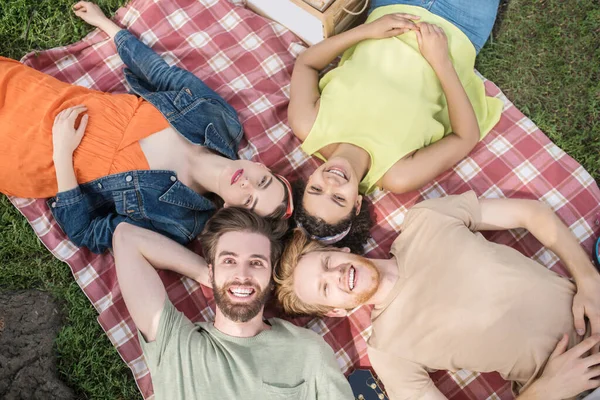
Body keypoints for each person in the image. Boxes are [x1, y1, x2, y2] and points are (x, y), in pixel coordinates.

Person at [0, 1, 292, 253]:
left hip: (34, 154)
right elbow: (163, 75)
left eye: (250, 201)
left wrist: (62, 154)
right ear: (262, 167)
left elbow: (87, 233)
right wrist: (107, 25)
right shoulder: (219, 120)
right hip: (50, 97)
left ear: (233, 211)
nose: (247, 184)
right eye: (262, 182)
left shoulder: (178, 221)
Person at [275, 192, 600, 400]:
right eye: (325, 288)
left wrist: (588, 279)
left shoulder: (425, 220)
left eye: (328, 263)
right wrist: (546, 391)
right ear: (335, 312)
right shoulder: (387, 352)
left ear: (342, 250)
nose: (336, 276)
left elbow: (532, 213)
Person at [288, 0, 503, 251]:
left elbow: (306, 64)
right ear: (356, 204)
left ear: (307, 181)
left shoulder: (308, 125)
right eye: (338, 198)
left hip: (394, 6)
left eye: (316, 189)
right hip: (459, 26)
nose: (331, 183)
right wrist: (440, 61)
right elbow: (465, 136)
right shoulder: (397, 174)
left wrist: (366, 30)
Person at [111, 207, 353, 399]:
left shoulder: (308, 350)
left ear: (270, 278)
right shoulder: (174, 343)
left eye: (256, 263)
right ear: (212, 270)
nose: (243, 274)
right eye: (229, 261)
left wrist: (226, 277)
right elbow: (127, 239)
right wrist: (216, 278)